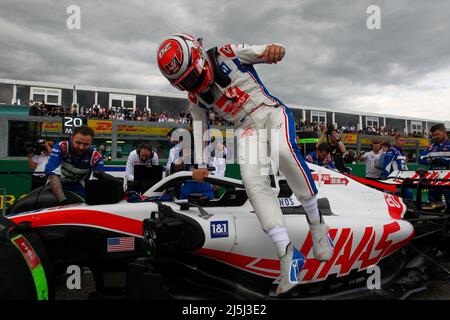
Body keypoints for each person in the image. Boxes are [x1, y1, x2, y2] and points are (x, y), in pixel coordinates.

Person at [157, 34, 333, 296]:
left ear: (200, 56)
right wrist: (201, 163)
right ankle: (287, 254)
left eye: (192, 77)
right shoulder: (196, 99)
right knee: (253, 184)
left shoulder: (227, 53)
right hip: (247, 129)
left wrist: (277, 50)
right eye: (184, 83)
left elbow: (266, 50)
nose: (192, 85)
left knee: (284, 152)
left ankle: (318, 224)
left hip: (271, 112)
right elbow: (199, 126)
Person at [45, 125, 113, 202]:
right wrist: (63, 201)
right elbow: (51, 172)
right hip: (56, 183)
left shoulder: (95, 155)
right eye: (78, 142)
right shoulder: (62, 146)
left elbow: (101, 176)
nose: (81, 147)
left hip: (77, 187)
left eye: (86, 144)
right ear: (71, 138)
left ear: (91, 143)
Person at [419, 123, 450, 205]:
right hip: (434, 180)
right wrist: (430, 161)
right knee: (434, 206)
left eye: (437, 134)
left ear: (445, 132)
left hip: (448, 180)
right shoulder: (431, 146)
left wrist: (442, 160)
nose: (435, 137)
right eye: (433, 135)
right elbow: (420, 159)